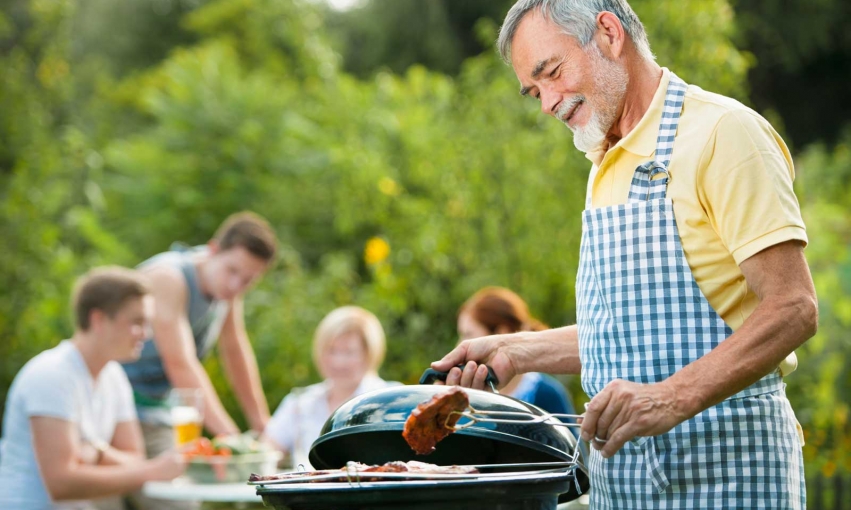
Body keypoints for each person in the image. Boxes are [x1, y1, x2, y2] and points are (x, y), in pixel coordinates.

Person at [431, 1, 816, 507]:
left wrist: (671, 396)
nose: (547, 103)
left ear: (609, 34)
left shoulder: (724, 134)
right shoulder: (602, 162)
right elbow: (627, 334)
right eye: (534, 91)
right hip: (625, 489)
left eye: (552, 74)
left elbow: (793, 308)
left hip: (731, 473)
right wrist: (515, 351)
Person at [120, 211, 276, 510]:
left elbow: (235, 350)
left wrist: (262, 426)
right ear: (213, 249)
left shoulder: (228, 290)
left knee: (183, 503)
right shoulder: (169, 278)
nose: (236, 285)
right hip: (110, 414)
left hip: (156, 415)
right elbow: (181, 365)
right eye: (232, 270)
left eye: (248, 280)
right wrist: (234, 440)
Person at [0, 267, 185, 510]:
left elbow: (134, 458)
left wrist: (97, 453)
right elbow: (62, 483)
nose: (146, 334)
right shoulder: (51, 375)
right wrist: (152, 471)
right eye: (137, 322)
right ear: (98, 320)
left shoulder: (113, 375)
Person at [265, 306, 398, 469]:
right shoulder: (299, 403)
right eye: (332, 351)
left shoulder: (392, 400)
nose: (338, 362)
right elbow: (265, 455)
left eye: (349, 352)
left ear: (369, 354)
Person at [458, 287, 576, 419]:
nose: (460, 344)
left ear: (501, 333)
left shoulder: (546, 394)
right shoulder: (467, 396)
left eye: (468, 334)